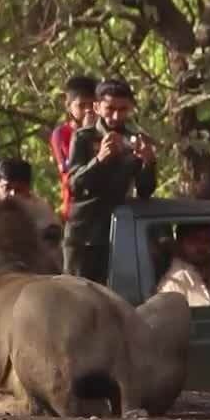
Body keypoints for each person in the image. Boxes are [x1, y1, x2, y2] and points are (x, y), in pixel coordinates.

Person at [63, 77, 157, 284]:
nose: (115, 116)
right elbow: (74, 185)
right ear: (97, 107)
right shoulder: (84, 138)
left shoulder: (137, 139)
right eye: (110, 108)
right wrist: (99, 160)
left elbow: (145, 190)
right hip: (84, 234)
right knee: (80, 297)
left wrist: (148, 163)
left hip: (118, 232)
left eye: (122, 109)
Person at [48, 75, 97, 222]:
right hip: (76, 206)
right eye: (81, 106)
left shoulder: (104, 131)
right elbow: (69, 168)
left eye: (92, 105)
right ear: (69, 106)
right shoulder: (61, 134)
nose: (88, 111)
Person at [0, 158, 57, 229]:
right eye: (7, 188)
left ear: (28, 189)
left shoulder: (40, 209)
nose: (13, 194)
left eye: (19, 189)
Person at [156, 223, 210, 307]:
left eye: (208, 240)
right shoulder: (176, 282)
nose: (202, 245)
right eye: (195, 239)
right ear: (180, 242)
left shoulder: (199, 275)